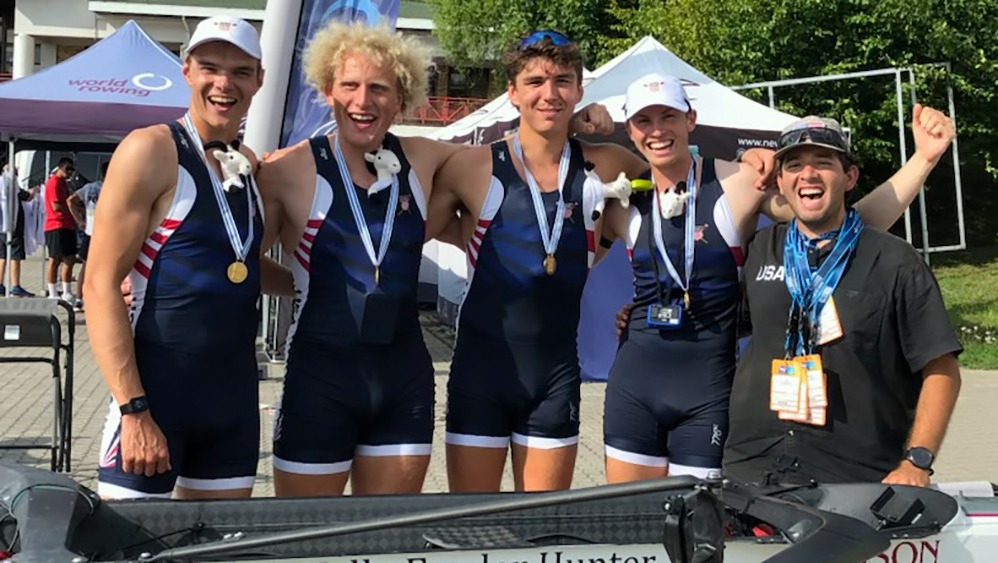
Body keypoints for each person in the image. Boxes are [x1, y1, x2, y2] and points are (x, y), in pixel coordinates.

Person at [259, 22, 607, 497]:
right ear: (327, 91)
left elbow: (525, 147)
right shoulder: (284, 170)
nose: (364, 101)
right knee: (306, 540)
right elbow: (237, 258)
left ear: (401, 98)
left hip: (403, 388)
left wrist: (578, 115)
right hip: (318, 383)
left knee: (391, 538)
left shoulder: (427, 158)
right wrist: (299, 284)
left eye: (380, 88)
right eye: (351, 87)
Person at [598, 74, 957, 484]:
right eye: (644, 121)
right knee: (630, 526)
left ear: (690, 119)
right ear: (629, 129)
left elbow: (842, 223)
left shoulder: (739, 182)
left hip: (708, 392)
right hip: (640, 385)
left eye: (669, 116)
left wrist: (922, 160)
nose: (657, 130)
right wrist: (581, 120)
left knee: (696, 534)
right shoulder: (621, 202)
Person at [86, 15, 282, 499]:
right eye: (210, 68)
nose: (224, 83)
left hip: (233, 407)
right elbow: (98, 284)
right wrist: (133, 410)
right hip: (155, 402)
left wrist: (335, 283)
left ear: (259, 79)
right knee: (132, 551)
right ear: (187, 70)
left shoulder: (248, 166)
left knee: (220, 555)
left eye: (240, 71)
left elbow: (240, 268)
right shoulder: (150, 150)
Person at [723, 114, 962, 486]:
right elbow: (716, 322)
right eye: (795, 165)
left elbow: (941, 368)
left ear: (849, 178)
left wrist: (916, 461)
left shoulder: (893, 260)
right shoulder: (760, 249)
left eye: (823, 163)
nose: (808, 174)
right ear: (781, 182)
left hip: (856, 476)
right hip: (752, 470)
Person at [67, 160, 108, 309]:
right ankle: (97, 298)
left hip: (90, 231)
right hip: (105, 234)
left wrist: (80, 221)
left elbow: (70, 200)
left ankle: (79, 298)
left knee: (85, 266)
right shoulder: (112, 188)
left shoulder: (90, 187)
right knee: (104, 267)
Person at [43, 157, 78, 302]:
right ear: (60, 168)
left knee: (70, 258)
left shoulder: (64, 184)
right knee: (54, 259)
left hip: (68, 225)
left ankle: (67, 291)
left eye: (71, 169)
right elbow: (56, 206)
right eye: (67, 169)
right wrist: (70, 207)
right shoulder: (53, 183)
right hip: (55, 225)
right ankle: (52, 291)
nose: (70, 172)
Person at [0, 163, 36, 297]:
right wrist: (34, 191)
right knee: (15, 256)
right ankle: (15, 285)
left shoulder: (1, 183)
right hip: (12, 226)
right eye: (16, 172)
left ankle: (0, 284)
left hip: (1, 227)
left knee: (2, 256)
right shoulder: (11, 185)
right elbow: (27, 197)